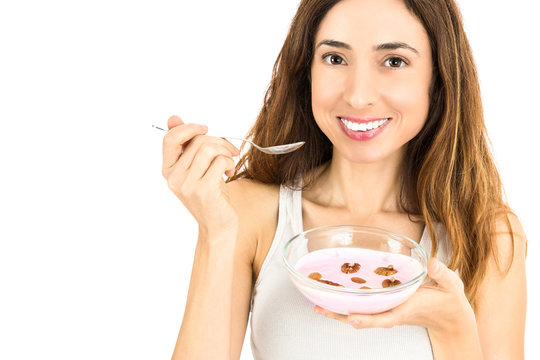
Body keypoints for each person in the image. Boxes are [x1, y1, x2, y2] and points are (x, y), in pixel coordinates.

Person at [161, 0, 527, 358]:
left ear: (439, 77)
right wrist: (216, 231)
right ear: (308, 70)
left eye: (394, 61)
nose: (358, 95)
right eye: (335, 58)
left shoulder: (489, 234)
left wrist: (452, 328)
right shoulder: (248, 213)